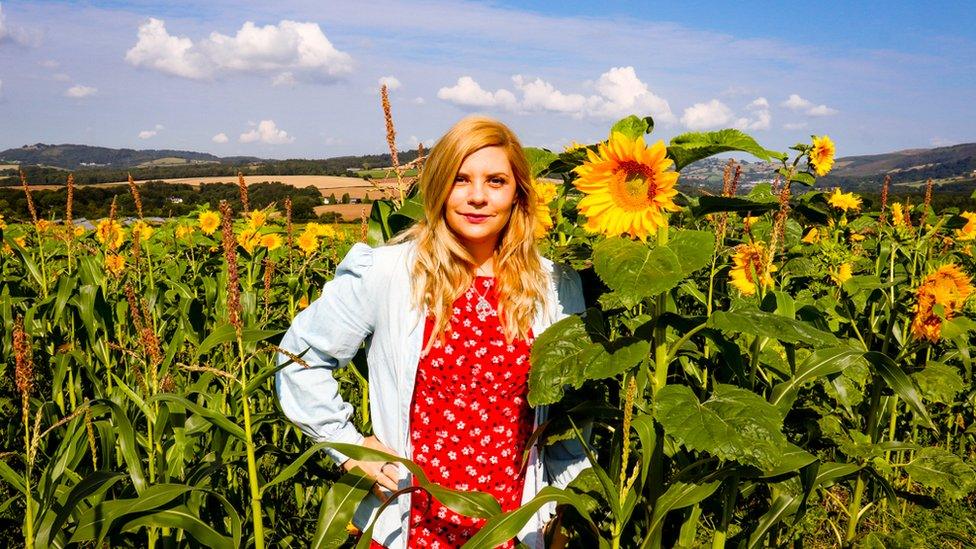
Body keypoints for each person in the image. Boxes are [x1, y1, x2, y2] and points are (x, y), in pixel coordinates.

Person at [276, 116, 587, 549]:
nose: (478, 197)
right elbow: (302, 358)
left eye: (495, 181)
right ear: (439, 185)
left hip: (513, 523)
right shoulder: (389, 273)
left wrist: (560, 505)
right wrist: (351, 447)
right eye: (461, 180)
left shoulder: (554, 286)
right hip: (413, 519)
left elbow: (574, 411)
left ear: (517, 191)